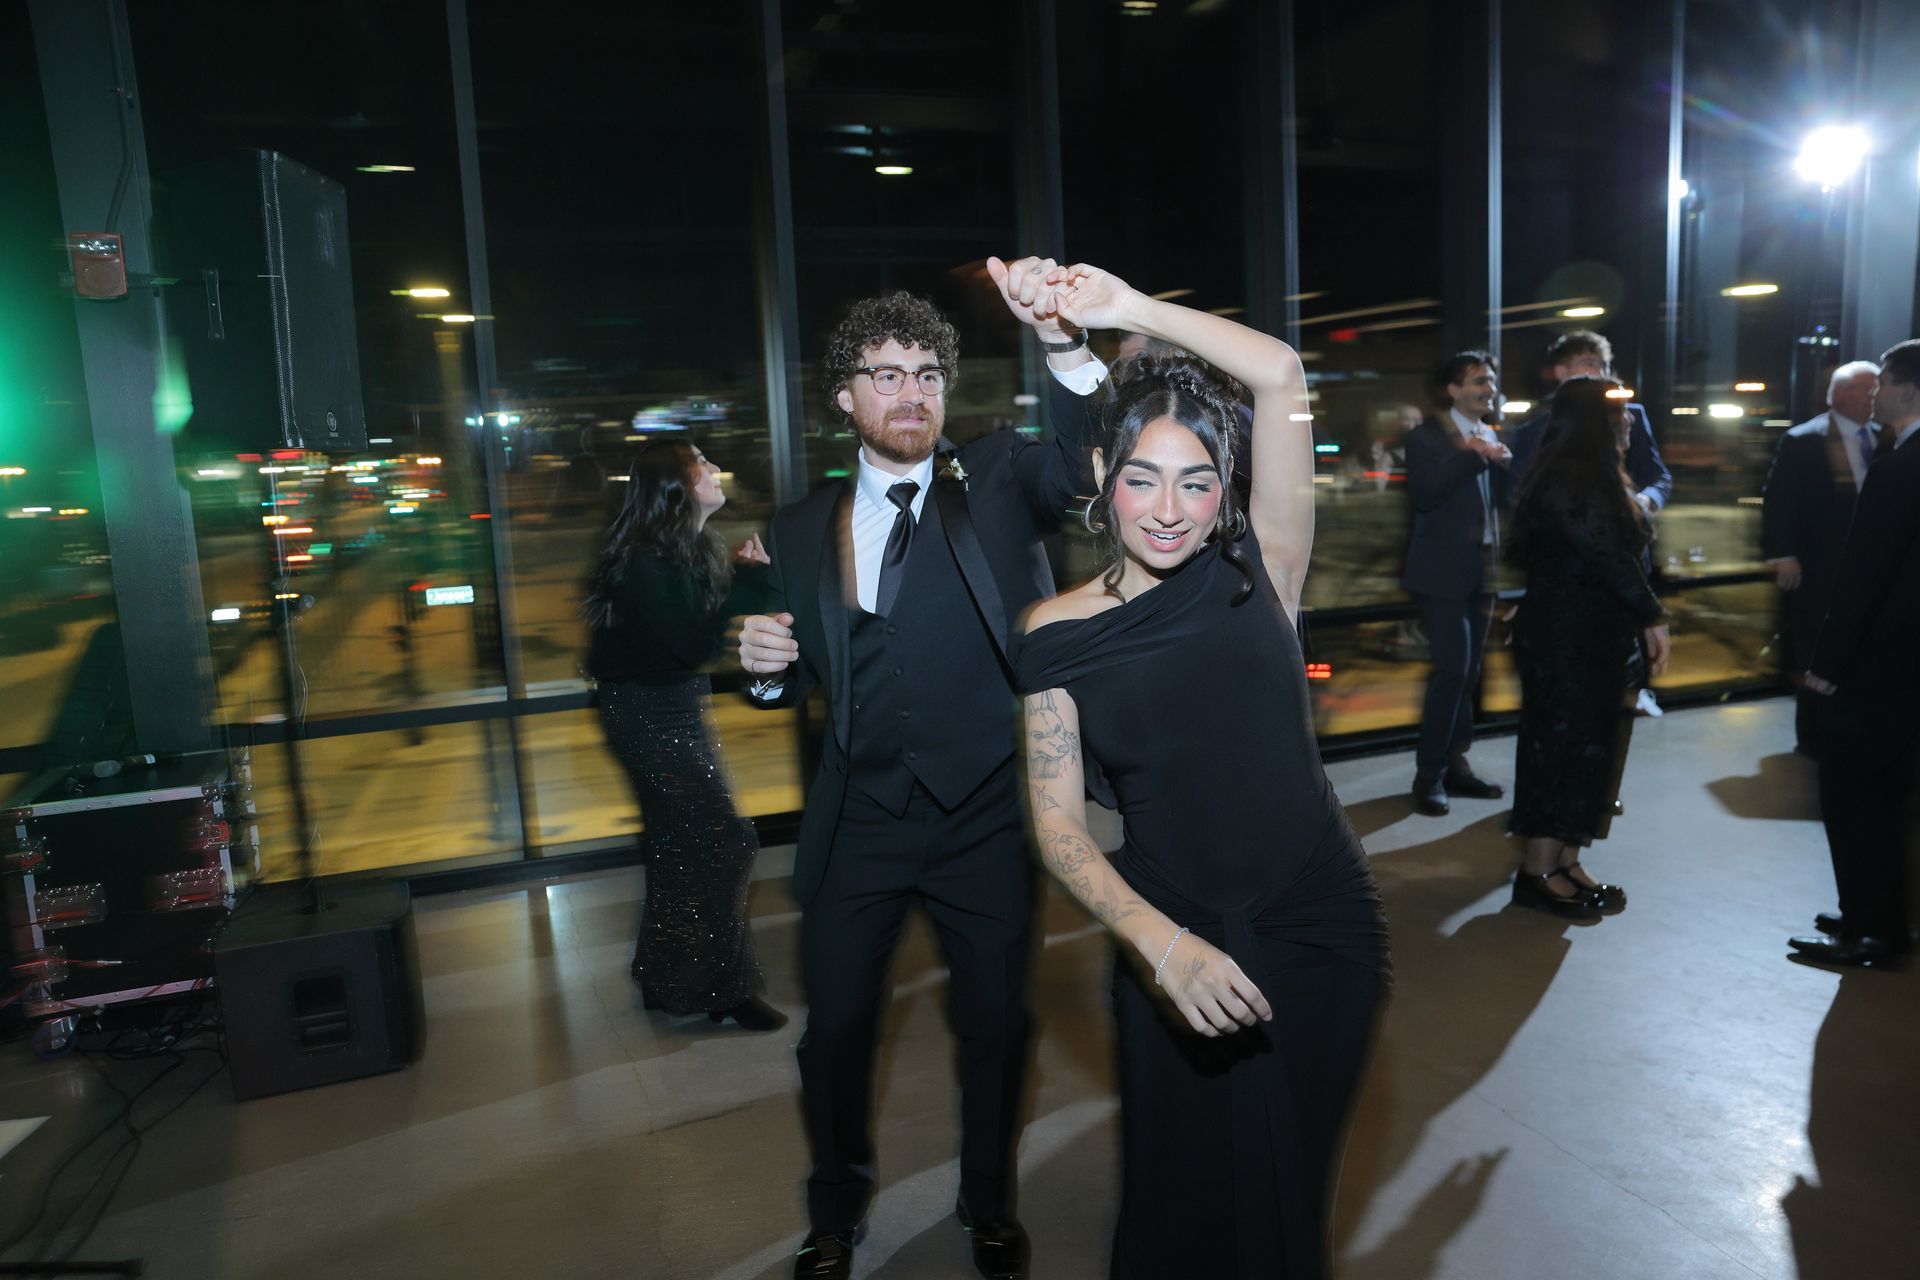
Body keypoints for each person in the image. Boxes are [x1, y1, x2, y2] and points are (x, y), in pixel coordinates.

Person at [1013, 263, 1388, 1280]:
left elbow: (1278, 373)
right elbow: (1055, 825)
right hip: (1170, 926)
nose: (1168, 508)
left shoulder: (1263, 564)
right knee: (1179, 1199)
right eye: (1144, 477)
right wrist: (1158, 942)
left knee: (1285, 1197)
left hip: (1319, 920)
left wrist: (1127, 310)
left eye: (1196, 480)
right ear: (1105, 479)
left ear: (1228, 487)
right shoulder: (1055, 632)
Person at [735, 259, 1097, 1280]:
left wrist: (1064, 339)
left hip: (986, 817)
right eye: (886, 374)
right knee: (836, 1034)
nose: (912, 393)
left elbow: (1078, 456)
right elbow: (792, 668)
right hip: (861, 822)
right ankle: (836, 1213)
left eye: (928, 373)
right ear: (844, 395)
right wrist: (763, 674)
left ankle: (989, 1200)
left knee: (995, 1025)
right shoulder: (802, 525)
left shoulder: (998, 485)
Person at [582, 442, 784, 1030]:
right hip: (646, 712)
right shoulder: (646, 558)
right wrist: (747, 578)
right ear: (677, 484)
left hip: (673, 703)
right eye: (699, 461)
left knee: (677, 846)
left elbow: (702, 624)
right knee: (727, 843)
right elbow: (697, 642)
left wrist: (741, 576)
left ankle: (663, 976)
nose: (714, 466)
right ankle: (721, 988)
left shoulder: (686, 547)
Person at [1504, 378, 1670, 918]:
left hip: (1588, 635)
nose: (1627, 420)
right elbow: (1607, 556)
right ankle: (1538, 871)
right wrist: (1652, 615)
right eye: (1616, 411)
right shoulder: (1571, 477)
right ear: (1591, 419)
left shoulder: (1587, 472)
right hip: (1565, 638)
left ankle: (1566, 861)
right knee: (1561, 752)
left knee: (1589, 752)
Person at [1790, 339, 1920, 968]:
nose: (1877, 391)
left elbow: (1866, 578)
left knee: (1853, 792)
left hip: (1881, 661)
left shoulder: (1900, 466)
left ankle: (1872, 933)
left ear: (1910, 390)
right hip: (1907, 663)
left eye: (1887, 382)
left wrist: (1826, 665)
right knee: (1890, 795)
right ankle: (1877, 914)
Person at [1507, 329, 1674, 717]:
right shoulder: (1540, 434)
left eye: (1602, 365)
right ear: (1561, 371)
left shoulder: (1628, 415)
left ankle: (1635, 689)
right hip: (1576, 594)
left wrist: (1644, 501)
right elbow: (1530, 512)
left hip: (1603, 579)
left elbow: (1658, 475)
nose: (1598, 374)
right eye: (1587, 365)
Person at [1401, 352, 1512, 816]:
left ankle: (1456, 766)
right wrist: (1471, 457)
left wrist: (1502, 464)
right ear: (1452, 389)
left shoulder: (1491, 435)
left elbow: (1501, 506)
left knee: (1469, 675)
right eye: (1477, 380)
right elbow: (1426, 496)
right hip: (1440, 574)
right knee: (1451, 672)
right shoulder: (1427, 437)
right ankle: (1428, 777)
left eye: (1490, 380)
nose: (1487, 387)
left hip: (1483, 572)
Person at [1761, 360, 1882, 756]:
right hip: (1820, 565)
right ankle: (1811, 736)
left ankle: (1852, 726)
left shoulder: (1886, 437)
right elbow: (1780, 502)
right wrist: (1785, 555)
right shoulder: (1804, 440)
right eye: (1870, 388)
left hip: (1869, 567)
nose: (1876, 397)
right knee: (1814, 648)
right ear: (1843, 394)